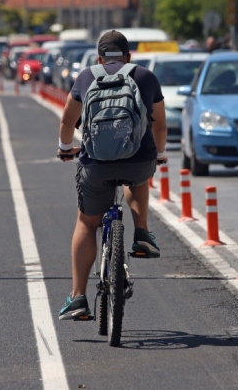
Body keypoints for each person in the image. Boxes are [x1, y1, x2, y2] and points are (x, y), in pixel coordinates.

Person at [56, 30, 168, 321]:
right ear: (129, 56)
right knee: (139, 174)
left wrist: (65, 148)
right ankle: (141, 232)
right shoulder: (145, 77)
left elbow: (68, 120)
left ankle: (78, 297)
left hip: (96, 164)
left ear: (99, 58)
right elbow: (160, 127)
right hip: (137, 161)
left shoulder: (85, 77)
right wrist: (158, 154)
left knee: (86, 221)